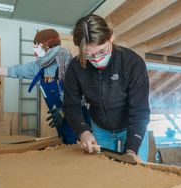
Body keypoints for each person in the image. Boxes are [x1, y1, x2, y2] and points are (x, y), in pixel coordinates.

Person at [0, 29, 79, 144]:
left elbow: (80, 93)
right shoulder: (38, 66)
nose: (34, 50)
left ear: (48, 45)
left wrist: (64, 110)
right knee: (67, 148)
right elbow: (11, 71)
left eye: (37, 46)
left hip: (76, 118)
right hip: (59, 119)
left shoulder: (65, 61)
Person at [62, 14, 150, 161]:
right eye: (89, 55)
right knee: (103, 176)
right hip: (100, 129)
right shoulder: (75, 67)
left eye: (102, 51)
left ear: (111, 38)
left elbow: (140, 111)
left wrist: (132, 149)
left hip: (132, 126)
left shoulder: (133, 63)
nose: (97, 59)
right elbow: (71, 105)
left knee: (134, 175)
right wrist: (83, 131)